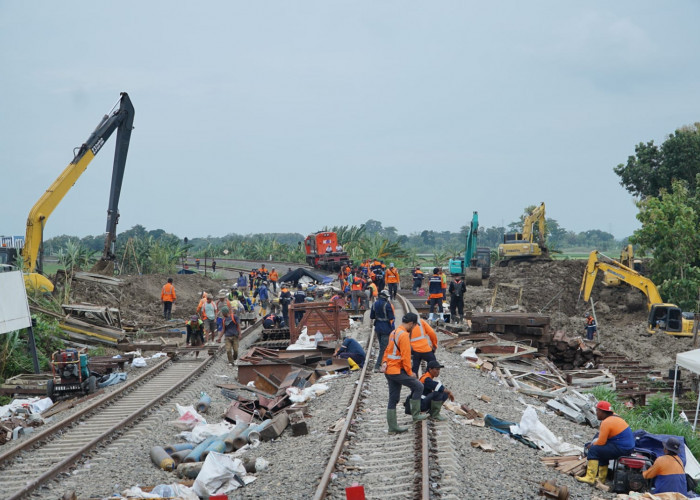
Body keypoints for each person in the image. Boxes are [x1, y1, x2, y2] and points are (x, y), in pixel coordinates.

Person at [382, 313, 428, 433]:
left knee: (393, 398)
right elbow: (406, 357)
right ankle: (416, 415)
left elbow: (387, 350)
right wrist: (410, 372)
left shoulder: (394, 332)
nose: (413, 328)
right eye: (414, 326)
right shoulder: (404, 336)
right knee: (419, 386)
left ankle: (392, 427)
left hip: (389, 370)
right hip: (397, 371)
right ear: (411, 324)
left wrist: (384, 362)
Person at [577, 401, 635, 485]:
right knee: (602, 451)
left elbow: (601, 442)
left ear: (602, 412)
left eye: (597, 411)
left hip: (622, 448)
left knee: (594, 449)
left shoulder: (606, 422)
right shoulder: (615, 417)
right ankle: (601, 479)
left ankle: (590, 477)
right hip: (627, 447)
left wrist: (591, 445)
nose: (596, 413)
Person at [370, 289, 396, 372]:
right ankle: (377, 366)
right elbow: (391, 317)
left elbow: (371, 316)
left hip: (378, 327)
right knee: (383, 348)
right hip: (386, 328)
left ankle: (384, 363)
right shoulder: (387, 305)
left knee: (382, 346)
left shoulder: (374, 304)